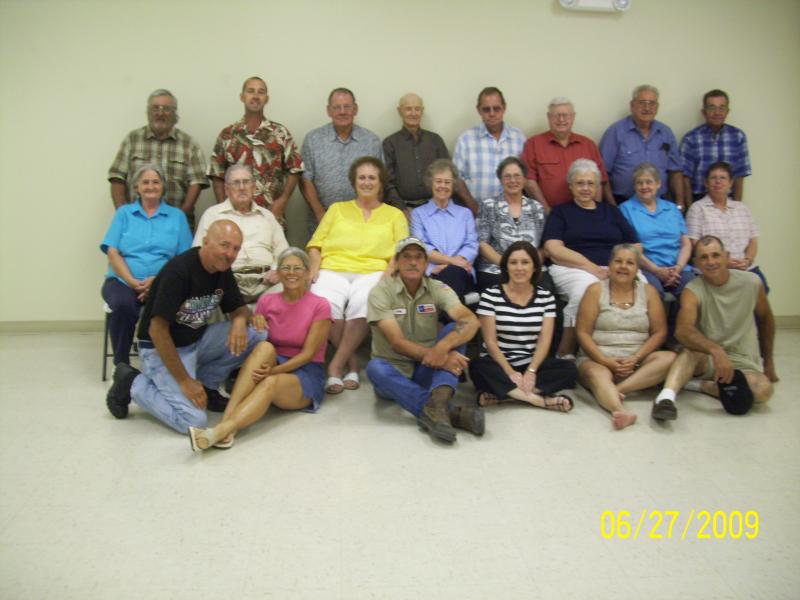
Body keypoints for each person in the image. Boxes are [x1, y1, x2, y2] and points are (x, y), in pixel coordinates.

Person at [105, 220, 266, 432]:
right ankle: (132, 382)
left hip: (195, 340)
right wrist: (184, 381)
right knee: (194, 421)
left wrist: (238, 321)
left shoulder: (222, 268)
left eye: (236, 248)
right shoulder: (180, 271)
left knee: (257, 333)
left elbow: (239, 308)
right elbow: (157, 331)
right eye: (225, 245)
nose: (230, 254)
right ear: (206, 241)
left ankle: (208, 386)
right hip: (160, 348)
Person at [187, 248, 332, 451]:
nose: (292, 273)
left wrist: (273, 372)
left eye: (298, 268)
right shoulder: (267, 301)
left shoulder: (321, 305)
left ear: (308, 273)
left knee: (270, 382)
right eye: (286, 268)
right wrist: (253, 319)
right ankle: (228, 422)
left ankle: (221, 430)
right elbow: (256, 339)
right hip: (273, 362)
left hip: (304, 372)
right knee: (264, 346)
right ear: (278, 273)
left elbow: (308, 355)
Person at [307, 156, 408, 394]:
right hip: (333, 268)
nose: (366, 182)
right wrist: (313, 268)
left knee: (365, 303)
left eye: (372, 177)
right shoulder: (337, 209)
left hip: (373, 272)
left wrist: (388, 272)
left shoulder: (394, 215)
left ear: (381, 182)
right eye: (361, 177)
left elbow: (402, 250)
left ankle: (335, 365)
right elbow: (315, 244)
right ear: (354, 182)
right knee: (323, 303)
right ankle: (351, 362)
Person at [366, 238, 482, 443]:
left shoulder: (437, 288)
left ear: (426, 263)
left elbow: (470, 320)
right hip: (393, 373)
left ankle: (436, 407)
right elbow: (397, 343)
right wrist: (441, 357)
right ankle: (448, 411)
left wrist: (444, 347)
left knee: (454, 331)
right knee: (375, 368)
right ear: (397, 262)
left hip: (427, 367)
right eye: (407, 257)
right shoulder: (380, 292)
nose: (413, 262)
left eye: (419, 257)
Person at [651, 236, 777, 421]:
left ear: (726, 256)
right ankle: (666, 398)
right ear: (696, 263)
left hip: (742, 360)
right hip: (706, 357)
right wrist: (715, 350)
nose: (710, 262)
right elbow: (682, 331)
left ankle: (696, 385)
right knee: (689, 351)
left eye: (715, 255)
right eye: (703, 257)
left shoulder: (751, 282)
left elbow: (766, 319)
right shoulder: (692, 290)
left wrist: (769, 362)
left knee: (763, 391)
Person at [542, 159, 640, 358]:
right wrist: (591, 267)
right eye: (580, 183)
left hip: (613, 267)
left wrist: (618, 266)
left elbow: (635, 245)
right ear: (570, 186)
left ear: (597, 186)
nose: (585, 188)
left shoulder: (612, 211)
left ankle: (629, 349)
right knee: (586, 291)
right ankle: (566, 351)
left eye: (590, 183)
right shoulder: (561, 212)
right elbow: (552, 248)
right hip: (573, 268)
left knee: (642, 287)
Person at [576, 244, 676, 429]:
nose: (623, 266)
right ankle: (619, 410)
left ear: (637, 268)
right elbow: (582, 332)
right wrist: (605, 361)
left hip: (638, 360)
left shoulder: (649, 292)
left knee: (669, 358)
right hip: (599, 359)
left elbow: (659, 332)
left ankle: (618, 390)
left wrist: (636, 358)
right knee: (595, 373)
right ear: (610, 265)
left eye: (630, 263)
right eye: (618, 261)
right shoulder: (595, 290)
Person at [100, 163, 192, 366]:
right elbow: (113, 252)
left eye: (156, 182)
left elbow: (184, 259)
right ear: (137, 187)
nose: (151, 186)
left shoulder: (177, 217)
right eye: (145, 182)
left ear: (163, 186)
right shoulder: (124, 214)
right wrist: (133, 282)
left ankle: (161, 363)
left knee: (166, 307)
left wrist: (158, 282)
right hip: (122, 281)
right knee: (123, 305)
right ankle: (122, 365)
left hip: (164, 282)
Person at [469, 241, 577, 412]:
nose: (519, 268)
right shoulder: (491, 295)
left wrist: (532, 371)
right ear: (506, 267)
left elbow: (544, 340)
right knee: (477, 367)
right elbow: (490, 341)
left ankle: (506, 396)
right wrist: (510, 372)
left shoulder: (545, 297)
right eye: (513, 262)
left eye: (525, 262)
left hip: (530, 362)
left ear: (535, 267)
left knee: (569, 369)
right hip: (499, 363)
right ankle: (538, 400)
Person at [208, 76, 303, 227]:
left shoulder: (280, 133)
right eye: (251, 91)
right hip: (234, 216)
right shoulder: (227, 134)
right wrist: (222, 207)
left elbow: (296, 168)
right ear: (242, 97)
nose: (256, 96)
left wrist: (283, 200)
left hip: (271, 215)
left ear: (267, 99)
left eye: (261, 92)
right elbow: (217, 175)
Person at [108, 89, 208, 226]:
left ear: (174, 113)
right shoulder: (132, 139)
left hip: (176, 225)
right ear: (148, 113)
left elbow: (197, 182)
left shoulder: (189, 144)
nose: (160, 113)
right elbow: (116, 177)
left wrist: (180, 216)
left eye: (166, 109)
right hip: (135, 222)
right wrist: (123, 214)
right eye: (155, 108)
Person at [194, 165, 288, 303]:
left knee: (291, 287)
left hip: (266, 283)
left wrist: (277, 270)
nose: (242, 187)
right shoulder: (212, 215)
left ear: (254, 187)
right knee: (206, 294)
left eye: (246, 182)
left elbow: (285, 253)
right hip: (227, 281)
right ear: (226, 189)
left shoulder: (267, 216)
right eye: (236, 183)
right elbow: (198, 253)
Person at [300, 88, 384, 232]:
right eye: (337, 107)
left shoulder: (371, 140)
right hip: (323, 220)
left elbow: (381, 181)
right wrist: (320, 213)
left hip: (362, 220)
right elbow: (305, 179)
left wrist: (370, 213)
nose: (342, 111)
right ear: (328, 111)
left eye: (347, 106)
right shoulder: (313, 139)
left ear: (355, 109)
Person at [383, 93, 478, 215]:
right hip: (404, 209)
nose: (413, 113)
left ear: (422, 111)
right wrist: (401, 209)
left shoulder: (435, 140)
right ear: (399, 111)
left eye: (417, 109)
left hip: (436, 207)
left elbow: (449, 175)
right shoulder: (390, 143)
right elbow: (388, 183)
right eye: (408, 109)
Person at [685, 161, 767, 291]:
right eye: (713, 178)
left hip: (744, 266)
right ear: (706, 183)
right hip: (712, 267)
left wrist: (748, 260)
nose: (718, 182)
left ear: (730, 183)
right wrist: (723, 262)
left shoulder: (742, 208)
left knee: (761, 287)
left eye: (723, 178)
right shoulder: (697, 209)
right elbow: (695, 244)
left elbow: (753, 240)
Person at [599, 85, 685, 208]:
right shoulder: (616, 132)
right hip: (622, 203)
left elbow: (675, 171)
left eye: (652, 103)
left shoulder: (666, 133)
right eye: (642, 103)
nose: (647, 108)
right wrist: (613, 207)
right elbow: (603, 174)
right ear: (632, 105)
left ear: (657, 107)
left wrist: (680, 203)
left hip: (659, 204)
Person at [521, 97, 614, 210]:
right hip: (548, 213)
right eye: (556, 115)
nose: (561, 119)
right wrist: (547, 211)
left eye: (566, 115)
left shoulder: (588, 145)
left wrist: (594, 211)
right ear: (549, 117)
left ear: (573, 117)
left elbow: (599, 181)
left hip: (584, 213)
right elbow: (529, 182)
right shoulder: (533, 144)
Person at [618, 163, 694, 299]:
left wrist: (678, 267)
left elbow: (686, 244)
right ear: (634, 186)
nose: (644, 187)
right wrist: (657, 271)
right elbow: (630, 249)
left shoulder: (671, 209)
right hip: (645, 268)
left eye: (649, 182)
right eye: (639, 183)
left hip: (677, 268)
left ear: (658, 184)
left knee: (692, 292)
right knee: (652, 294)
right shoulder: (625, 209)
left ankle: (676, 321)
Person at [409, 159, 478, 302]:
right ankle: (453, 320)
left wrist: (451, 265)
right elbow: (421, 248)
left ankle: (445, 319)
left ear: (453, 185)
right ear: (431, 183)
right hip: (432, 271)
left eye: (447, 182)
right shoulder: (418, 214)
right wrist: (452, 261)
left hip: (462, 272)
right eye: (438, 181)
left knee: (453, 274)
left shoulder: (465, 214)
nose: (443, 186)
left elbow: (472, 245)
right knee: (449, 276)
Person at [475, 157, 547, 292]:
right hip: (496, 269)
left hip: (532, 269)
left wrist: (529, 266)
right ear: (501, 180)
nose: (513, 180)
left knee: (547, 290)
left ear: (525, 179)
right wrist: (508, 265)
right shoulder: (488, 205)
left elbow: (544, 247)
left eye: (517, 176)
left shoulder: (536, 208)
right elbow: (482, 244)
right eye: (507, 176)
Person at [453, 87, 526, 204]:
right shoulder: (466, 139)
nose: (492, 114)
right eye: (486, 109)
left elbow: (525, 176)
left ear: (504, 108)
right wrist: (473, 208)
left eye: (496, 109)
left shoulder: (518, 138)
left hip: (511, 212)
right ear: (478, 110)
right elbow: (456, 178)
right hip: (475, 210)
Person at [681, 89, 751, 202]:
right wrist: (689, 208)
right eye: (711, 108)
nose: (717, 112)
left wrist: (737, 208)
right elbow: (685, 178)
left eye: (721, 108)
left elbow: (740, 176)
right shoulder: (691, 138)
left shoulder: (738, 137)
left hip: (728, 200)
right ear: (704, 112)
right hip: (698, 199)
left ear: (727, 111)